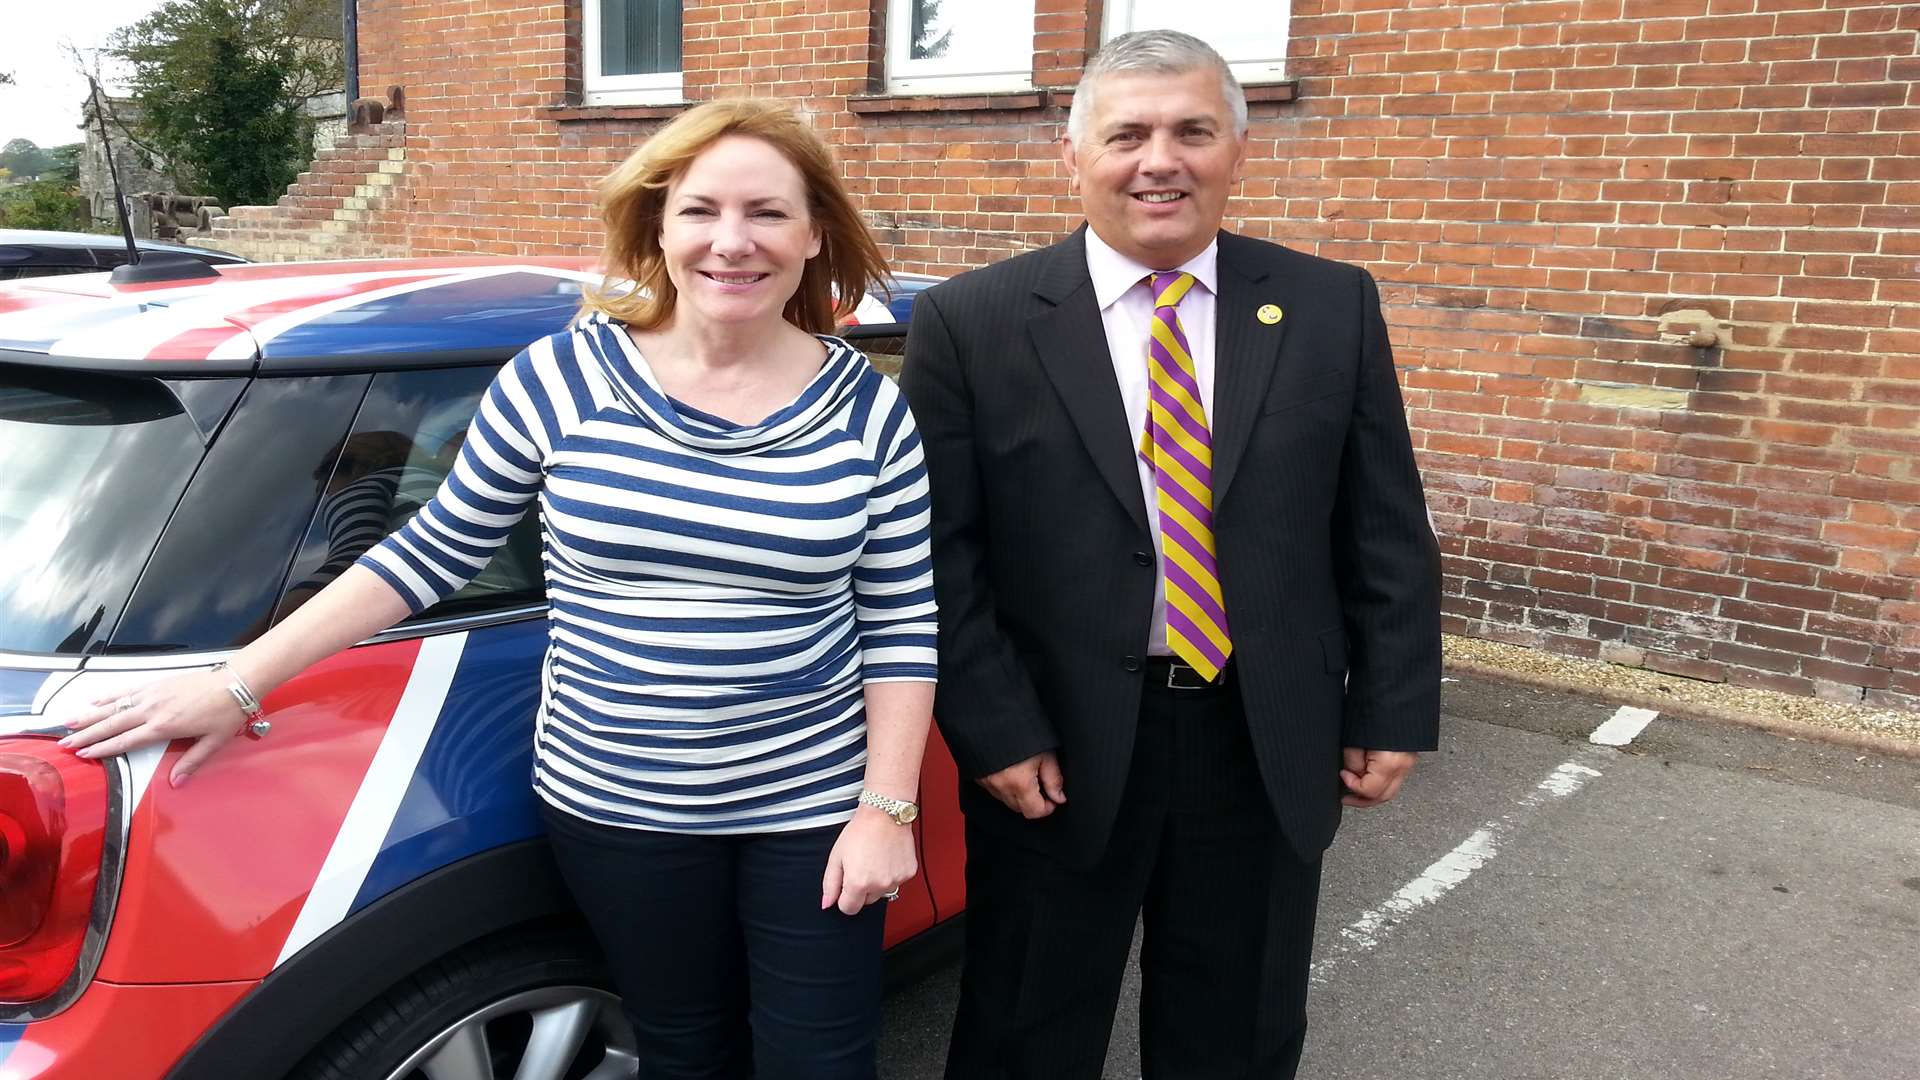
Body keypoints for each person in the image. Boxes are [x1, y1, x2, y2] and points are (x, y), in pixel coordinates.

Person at [60, 98, 938, 1080]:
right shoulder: (559, 379)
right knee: (686, 1048)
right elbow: (428, 552)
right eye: (700, 210)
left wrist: (887, 810)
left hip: (808, 805)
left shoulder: (866, 408)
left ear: (814, 232)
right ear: (657, 224)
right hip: (617, 808)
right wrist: (235, 683)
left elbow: (901, 618)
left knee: (823, 1059)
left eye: (767, 212)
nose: (731, 242)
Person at [899, 30, 1441, 1079]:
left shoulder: (1331, 304)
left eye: (1194, 130)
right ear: (1074, 154)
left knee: (1233, 1036)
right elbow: (938, 556)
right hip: (1053, 751)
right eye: (1129, 134)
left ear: (1238, 148)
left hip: (1262, 733)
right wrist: (994, 730)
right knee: (1025, 1029)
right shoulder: (977, 321)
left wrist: (1390, 705)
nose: (1162, 160)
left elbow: (1381, 525)